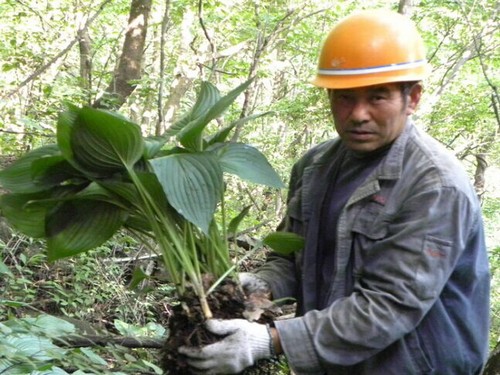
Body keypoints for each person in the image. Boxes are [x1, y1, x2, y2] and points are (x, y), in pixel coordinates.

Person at [179, 9, 490, 374]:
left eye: (377, 97)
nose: (358, 114)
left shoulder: (434, 185)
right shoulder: (315, 166)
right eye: (344, 97)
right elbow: (291, 255)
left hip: (415, 364)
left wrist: (270, 340)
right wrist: (262, 285)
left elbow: (390, 305)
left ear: (413, 98)